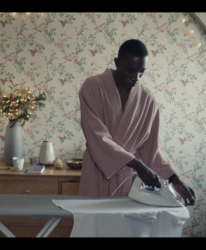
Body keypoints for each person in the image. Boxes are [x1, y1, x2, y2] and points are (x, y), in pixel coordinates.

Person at [78, 39, 196, 206]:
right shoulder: (93, 87)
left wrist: (174, 180)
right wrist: (138, 166)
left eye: (142, 72)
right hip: (98, 170)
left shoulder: (147, 99)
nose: (136, 78)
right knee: (93, 226)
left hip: (129, 179)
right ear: (117, 62)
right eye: (130, 71)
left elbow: (152, 147)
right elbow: (97, 136)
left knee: (128, 227)